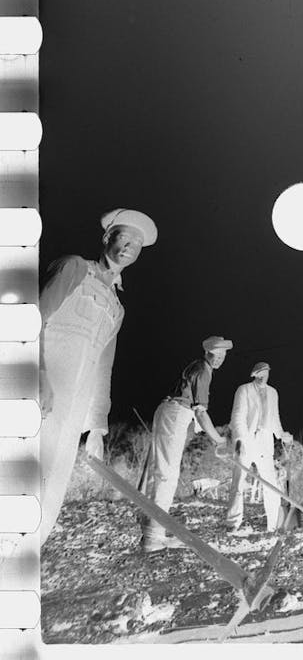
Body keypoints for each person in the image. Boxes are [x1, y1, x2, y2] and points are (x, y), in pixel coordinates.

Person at [38, 208, 157, 545]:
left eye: (136, 243)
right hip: (43, 385)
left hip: (74, 404)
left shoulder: (117, 308)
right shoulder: (74, 268)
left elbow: (103, 367)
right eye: (124, 236)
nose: (129, 246)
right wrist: (39, 373)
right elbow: (35, 318)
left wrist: (97, 427)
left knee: (54, 483)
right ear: (107, 237)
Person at [140, 336, 230, 552]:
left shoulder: (197, 366)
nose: (220, 359)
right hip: (175, 413)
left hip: (172, 413)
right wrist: (219, 439)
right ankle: (154, 537)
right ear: (211, 355)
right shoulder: (204, 371)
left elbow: (193, 411)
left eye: (223, 355)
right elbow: (200, 412)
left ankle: (150, 529)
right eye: (218, 355)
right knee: (167, 475)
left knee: (163, 472)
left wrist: (210, 439)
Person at [225, 362, 293, 532]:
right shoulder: (244, 390)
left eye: (266, 372)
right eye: (260, 373)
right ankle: (232, 523)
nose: (263, 376)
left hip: (264, 441)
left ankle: (273, 524)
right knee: (239, 480)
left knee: (270, 483)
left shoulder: (273, 392)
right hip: (247, 438)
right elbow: (238, 416)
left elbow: (274, 417)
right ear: (254, 374)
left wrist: (281, 434)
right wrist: (240, 440)